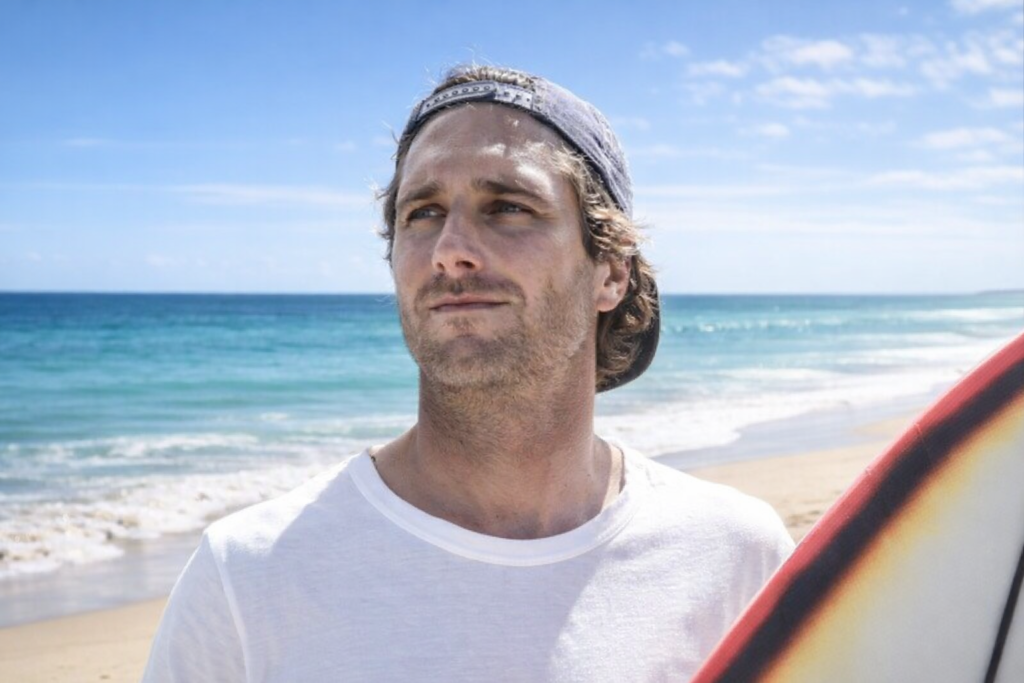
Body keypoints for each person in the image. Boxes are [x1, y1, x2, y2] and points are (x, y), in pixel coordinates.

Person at [141, 65, 794, 682]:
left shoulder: (735, 556)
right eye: (422, 213)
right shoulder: (248, 576)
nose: (450, 250)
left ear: (611, 272)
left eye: (507, 206)